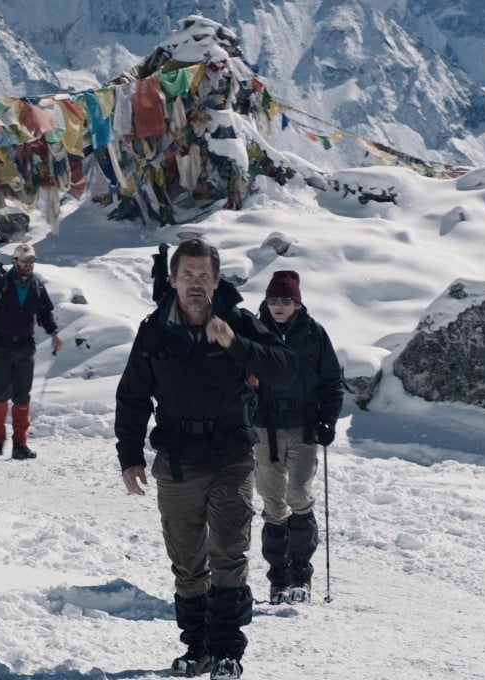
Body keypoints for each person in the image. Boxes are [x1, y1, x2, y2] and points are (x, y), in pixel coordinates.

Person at [115, 239, 297, 680]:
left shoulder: (238, 323)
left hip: (230, 456)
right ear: (173, 279)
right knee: (187, 561)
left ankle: (228, 651)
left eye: (204, 275)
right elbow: (134, 395)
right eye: (187, 274)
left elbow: (285, 369)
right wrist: (129, 455)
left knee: (229, 554)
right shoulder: (154, 329)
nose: (195, 283)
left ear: (217, 280)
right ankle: (197, 649)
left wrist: (237, 345)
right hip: (176, 461)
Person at [251, 270, 343, 605]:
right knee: (273, 503)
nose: (278, 306)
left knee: (299, 495)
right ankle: (279, 580)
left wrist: (328, 422)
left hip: (304, 427)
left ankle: (301, 576)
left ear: (297, 302)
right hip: (265, 429)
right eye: (273, 300)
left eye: (285, 300)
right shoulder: (256, 332)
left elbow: (332, 381)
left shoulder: (314, 334)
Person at [0, 243, 63, 459]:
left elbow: (45, 313)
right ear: (15, 262)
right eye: (25, 262)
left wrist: (53, 334)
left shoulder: (37, 285)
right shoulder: (0, 284)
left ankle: (20, 445)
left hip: (25, 345)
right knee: (2, 392)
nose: (29, 266)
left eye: (32, 261)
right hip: (0, 344)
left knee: (22, 395)